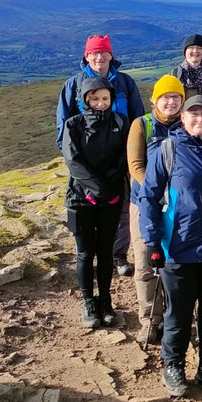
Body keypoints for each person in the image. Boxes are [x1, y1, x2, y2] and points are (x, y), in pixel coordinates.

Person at [139, 94, 202, 397]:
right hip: (178, 249)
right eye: (193, 114)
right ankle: (173, 366)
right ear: (182, 118)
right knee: (178, 314)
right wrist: (153, 242)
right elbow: (149, 198)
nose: (200, 119)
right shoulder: (166, 151)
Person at [57, 34, 145, 277]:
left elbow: (138, 120)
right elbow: (63, 125)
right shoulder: (74, 85)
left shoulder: (125, 83)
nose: (99, 57)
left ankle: (117, 255)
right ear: (86, 56)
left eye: (104, 52)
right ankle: (87, 253)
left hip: (119, 162)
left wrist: (132, 157)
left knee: (121, 208)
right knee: (87, 206)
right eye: (94, 53)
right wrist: (71, 158)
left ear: (111, 55)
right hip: (86, 165)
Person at [62, 76, 129, 329]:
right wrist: (96, 189)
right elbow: (73, 161)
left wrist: (108, 190)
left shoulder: (120, 123)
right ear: (84, 100)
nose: (101, 103)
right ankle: (89, 301)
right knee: (85, 253)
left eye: (105, 98)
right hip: (80, 199)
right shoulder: (73, 125)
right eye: (95, 99)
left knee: (105, 252)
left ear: (111, 99)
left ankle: (106, 300)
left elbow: (123, 158)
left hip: (111, 199)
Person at [125, 74, 184, 338]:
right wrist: (157, 190)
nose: (170, 102)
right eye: (165, 97)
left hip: (179, 206)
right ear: (154, 100)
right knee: (146, 261)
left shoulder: (188, 124)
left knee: (176, 260)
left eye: (176, 97)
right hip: (144, 203)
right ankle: (150, 319)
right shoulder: (142, 125)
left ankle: (174, 315)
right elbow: (135, 165)